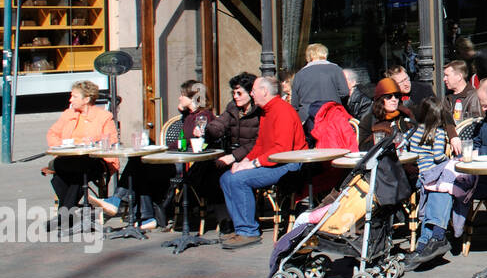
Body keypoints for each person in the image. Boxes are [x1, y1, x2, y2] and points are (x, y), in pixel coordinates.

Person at [93, 80, 216, 230]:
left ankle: (120, 202)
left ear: (194, 97)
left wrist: (167, 147)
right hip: (174, 158)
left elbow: (198, 142)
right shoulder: (190, 115)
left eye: (183, 95)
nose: (179, 98)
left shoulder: (204, 117)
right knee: (139, 162)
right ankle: (141, 214)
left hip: (187, 163)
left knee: (141, 166)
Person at [219, 76, 307, 249]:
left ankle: (247, 232)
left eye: (253, 90)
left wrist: (252, 164)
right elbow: (260, 144)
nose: (251, 94)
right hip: (276, 161)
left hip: (289, 164)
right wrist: (243, 161)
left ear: (264, 91)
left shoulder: (281, 111)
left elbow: (282, 150)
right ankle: (241, 227)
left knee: (238, 179)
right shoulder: (267, 111)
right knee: (226, 177)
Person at [404, 97, 471, 265]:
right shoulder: (439, 133)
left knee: (438, 188)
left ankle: (424, 243)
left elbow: (404, 144)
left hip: (419, 175)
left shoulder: (415, 130)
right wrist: (447, 159)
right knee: (445, 183)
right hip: (432, 173)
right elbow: (437, 156)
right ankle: (437, 236)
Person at [44, 81, 119, 220]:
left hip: (95, 160)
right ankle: (68, 214)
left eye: (74, 96)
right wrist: (61, 146)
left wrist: (91, 145)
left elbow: (111, 142)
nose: (70, 100)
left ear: (86, 99)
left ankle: (64, 215)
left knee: (76, 171)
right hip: (68, 158)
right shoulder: (68, 114)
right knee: (60, 175)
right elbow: (52, 133)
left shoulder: (104, 116)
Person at [291, 42, 350, 133]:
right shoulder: (336, 69)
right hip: (332, 116)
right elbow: (345, 92)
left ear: (309, 56)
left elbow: (294, 104)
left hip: (308, 119)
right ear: (324, 54)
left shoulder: (300, 75)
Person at [358, 77, 413, 148]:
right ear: (380, 100)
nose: (394, 99)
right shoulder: (370, 119)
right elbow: (363, 147)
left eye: (396, 96)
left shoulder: (405, 115)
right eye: (388, 96)